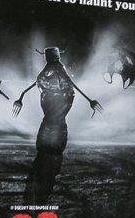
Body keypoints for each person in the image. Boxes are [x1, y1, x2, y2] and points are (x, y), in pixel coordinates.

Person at [12, 46, 100, 198]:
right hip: (54, 114)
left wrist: (22, 96)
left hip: (54, 114)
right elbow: (71, 87)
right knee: (50, 144)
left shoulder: (49, 73)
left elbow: (68, 87)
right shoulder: (55, 71)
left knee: (49, 144)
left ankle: (45, 168)